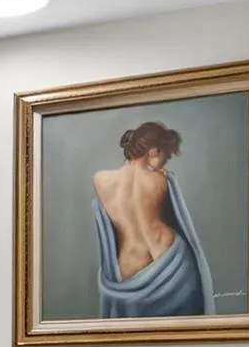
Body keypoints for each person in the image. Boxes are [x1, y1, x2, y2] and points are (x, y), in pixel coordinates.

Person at [90, 121, 214, 317]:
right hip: (174, 263)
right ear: (154, 152)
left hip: (130, 270)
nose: (165, 163)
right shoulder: (163, 180)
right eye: (166, 157)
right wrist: (161, 176)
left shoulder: (101, 179)